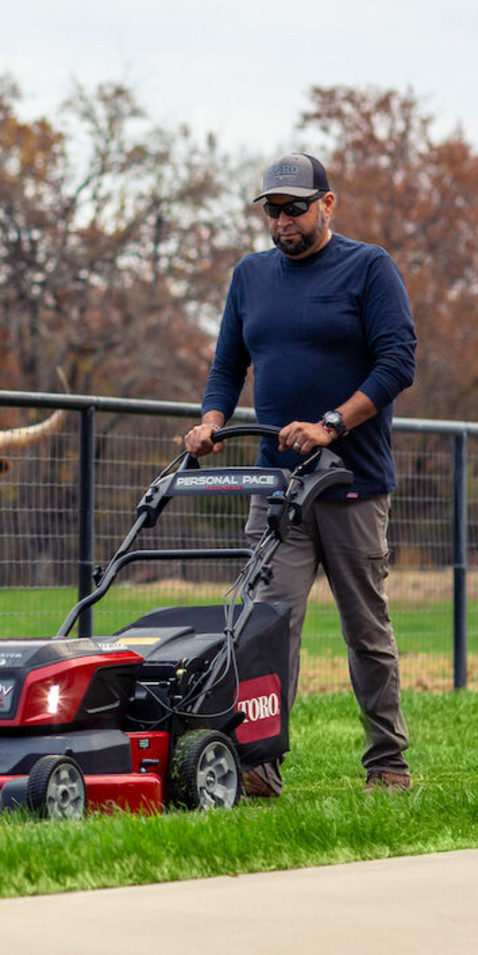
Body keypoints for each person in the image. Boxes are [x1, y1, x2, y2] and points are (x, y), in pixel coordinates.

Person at [184, 152, 417, 797]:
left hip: (352, 482)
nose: (283, 221)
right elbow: (227, 366)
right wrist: (210, 421)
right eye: (273, 210)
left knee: (365, 630)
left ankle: (387, 764)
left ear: (327, 204)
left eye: (295, 208)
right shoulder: (250, 276)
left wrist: (331, 425)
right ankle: (259, 765)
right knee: (263, 630)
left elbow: (398, 362)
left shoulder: (369, 268)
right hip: (276, 488)